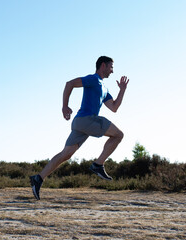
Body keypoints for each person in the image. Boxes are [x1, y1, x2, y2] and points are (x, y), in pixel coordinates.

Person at [30, 56, 129, 200]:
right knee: (119, 135)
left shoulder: (104, 88)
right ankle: (98, 164)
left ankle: (38, 178)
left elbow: (114, 107)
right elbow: (69, 84)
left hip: (80, 123)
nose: (112, 71)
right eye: (111, 67)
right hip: (87, 120)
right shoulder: (93, 79)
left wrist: (122, 90)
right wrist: (64, 106)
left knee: (66, 154)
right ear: (103, 66)